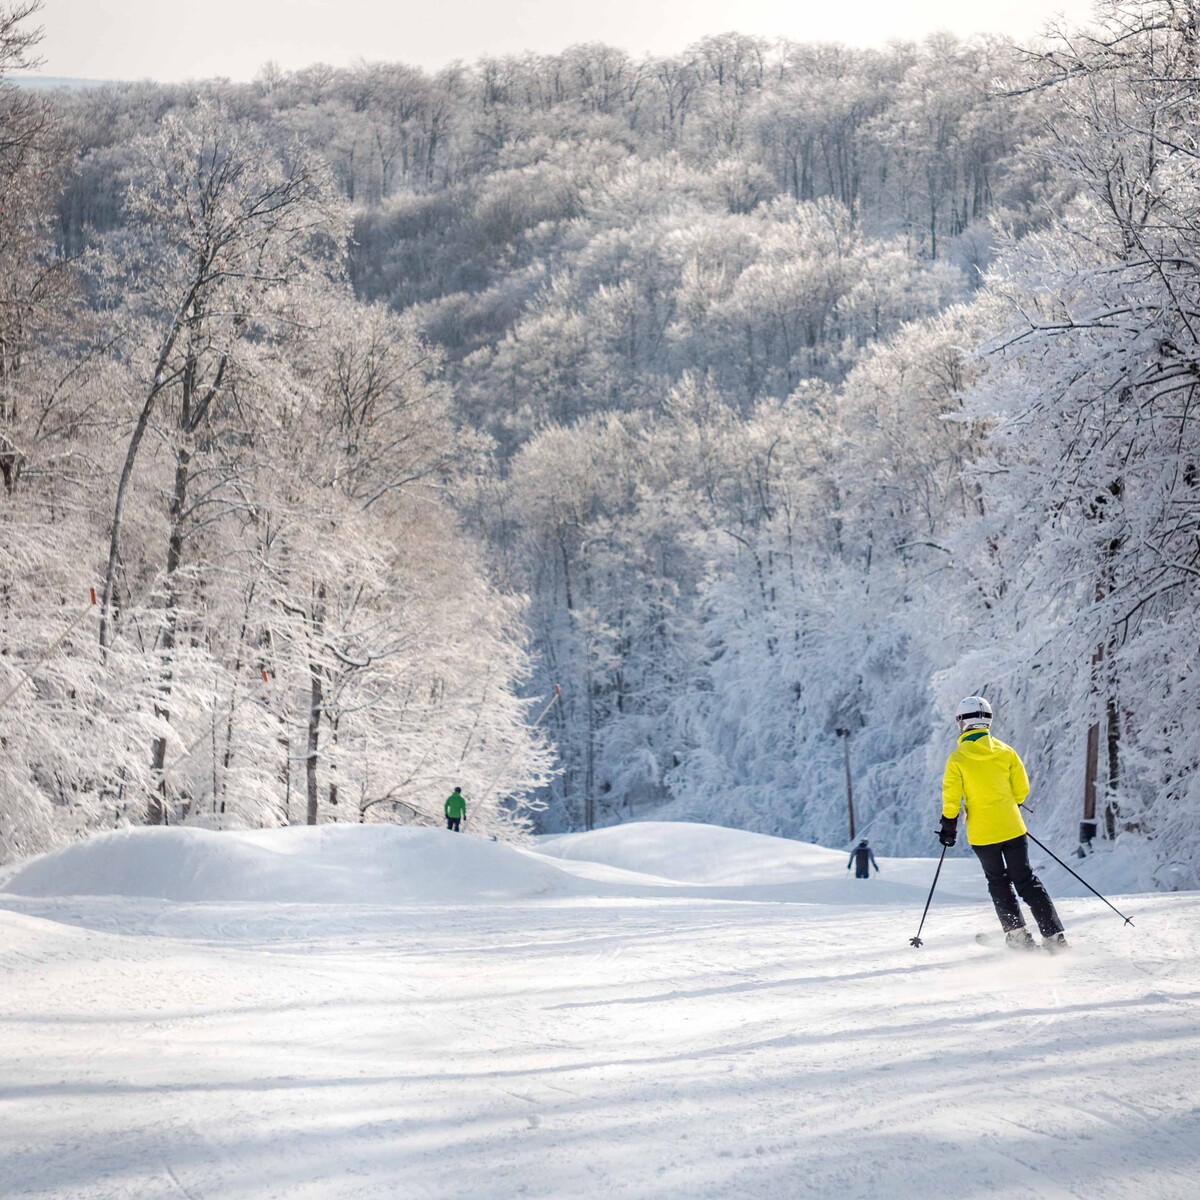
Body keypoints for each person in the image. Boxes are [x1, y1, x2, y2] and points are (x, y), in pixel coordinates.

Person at [939, 695, 1068, 952]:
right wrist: (1009, 806)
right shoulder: (1006, 751)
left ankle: (1018, 935)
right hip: (1013, 828)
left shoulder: (958, 759)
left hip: (982, 833)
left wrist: (948, 827)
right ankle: (1054, 937)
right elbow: (1022, 788)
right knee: (1026, 880)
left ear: (961, 723)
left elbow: (951, 799)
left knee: (998, 882)